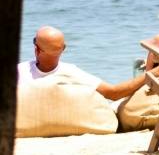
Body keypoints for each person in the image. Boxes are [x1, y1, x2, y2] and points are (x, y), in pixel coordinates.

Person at [19, 26, 150, 102]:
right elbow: (114, 93)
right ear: (63, 49)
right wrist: (150, 74)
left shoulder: (19, 70)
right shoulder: (72, 72)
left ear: (36, 49)